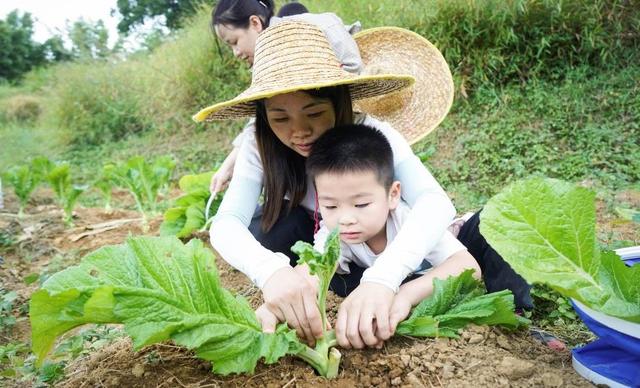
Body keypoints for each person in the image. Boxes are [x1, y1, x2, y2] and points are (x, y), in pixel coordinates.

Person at [193, 21, 532, 348]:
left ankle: (510, 319)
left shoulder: (373, 134)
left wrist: (383, 278)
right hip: (344, 244)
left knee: (500, 227)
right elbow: (226, 225)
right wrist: (272, 274)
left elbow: (435, 204)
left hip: (408, 244)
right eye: (280, 118)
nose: (299, 131)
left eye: (313, 113)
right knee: (267, 232)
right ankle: (369, 293)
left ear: (339, 102)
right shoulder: (259, 143)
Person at [307, 123, 481, 349]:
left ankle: (519, 309)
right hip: (411, 274)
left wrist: (405, 296)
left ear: (393, 195)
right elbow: (310, 272)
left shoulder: (410, 222)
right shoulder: (333, 234)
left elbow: (469, 268)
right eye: (330, 206)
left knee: (486, 235)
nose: (345, 219)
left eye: (360, 204)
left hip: (450, 244)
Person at [209, 0, 362, 196]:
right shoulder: (265, 62)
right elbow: (261, 118)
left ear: (255, 23)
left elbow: (353, 69)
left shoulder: (314, 28)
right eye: (281, 118)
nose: (236, 53)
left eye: (235, 42)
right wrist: (231, 163)